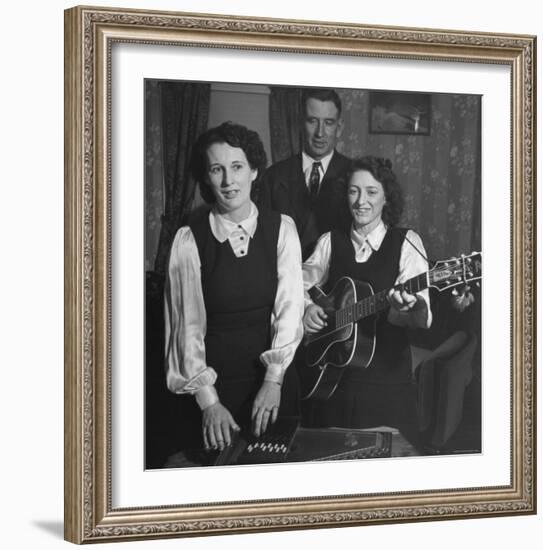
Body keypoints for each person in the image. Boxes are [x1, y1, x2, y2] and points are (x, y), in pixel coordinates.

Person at [164, 121, 304, 456]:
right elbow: (187, 331)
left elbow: (289, 310)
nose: (228, 181)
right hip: (214, 396)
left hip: (276, 386)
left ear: (254, 171)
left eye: (237, 167)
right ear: (206, 178)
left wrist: (273, 380)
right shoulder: (187, 241)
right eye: (217, 169)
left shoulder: (283, 229)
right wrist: (209, 402)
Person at [301, 156, 432, 440]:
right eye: (353, 191)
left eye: (371, 192)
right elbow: (295, 283)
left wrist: (407, 307)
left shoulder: (407, 242)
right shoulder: (329, 242)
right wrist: (307, 306)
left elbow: (422, 318)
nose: (361, 201)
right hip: (333, 382)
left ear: (387, 198)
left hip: (387, 384)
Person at [259, 88, 352, 259]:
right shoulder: (273, 177)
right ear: (301, 123)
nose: (320, 133)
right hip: (284, 278)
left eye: (329, 123)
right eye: (312, 121)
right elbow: (262, 241)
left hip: (339, 282)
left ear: (339, 128)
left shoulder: (354, 175)